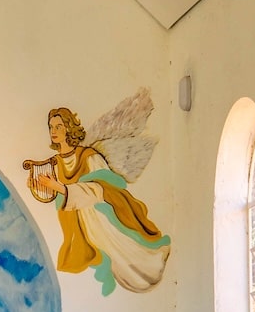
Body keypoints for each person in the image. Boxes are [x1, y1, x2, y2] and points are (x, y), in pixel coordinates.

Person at [25, 107, 169, 294]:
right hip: (80, 225)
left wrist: (59, 187)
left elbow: (101, 189)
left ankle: (148, 268)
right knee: (107, 259)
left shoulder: (89, 157)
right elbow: (55, 193)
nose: (54, 131)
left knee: (123, 251)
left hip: (102, 218)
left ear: (69, 128)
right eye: (51, 127)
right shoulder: (55, 163)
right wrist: (39, 186)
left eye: (59, 126)